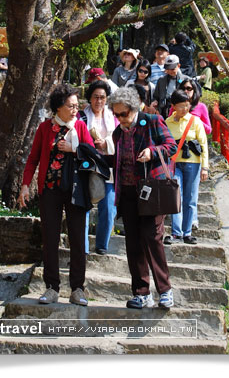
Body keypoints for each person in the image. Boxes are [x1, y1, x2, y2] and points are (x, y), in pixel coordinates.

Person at [18, 83, 94, 306]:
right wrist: (25, 185)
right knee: (49, 238)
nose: (75, 110)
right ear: (59, 107)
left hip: (76, 191)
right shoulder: (45, 128)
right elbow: (33, 159)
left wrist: (74, 149)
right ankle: (51, 287)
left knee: (78, 239)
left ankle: (77, 288)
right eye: (71, 106)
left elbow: (92, 157)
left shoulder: (80, 127)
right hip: (49, 189)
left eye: (76, 105)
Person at [107, 87, 177, 309]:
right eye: (115, 114)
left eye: (123, 114)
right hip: (127, 192)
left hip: (151, 190)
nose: (119, 119)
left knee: (152, 238)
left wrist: (152, 152)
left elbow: (171, 146)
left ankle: (165, 290)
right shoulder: (118, 133)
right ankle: (141, 292)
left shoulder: (152, 121)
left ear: (133, 109)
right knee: (133, 242)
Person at [79, 80, 119, 255]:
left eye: (102, 97)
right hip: (86, 167)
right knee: (84, 207)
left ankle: (102, 245)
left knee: (109, 207)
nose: (99, 101)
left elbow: (120, 138)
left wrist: (106, 143)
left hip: (108, 167)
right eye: (96, 97)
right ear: (90, 98)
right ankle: (83, 248)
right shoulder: (81, 117)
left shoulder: (114, 117)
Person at [165, 89, 209, 245]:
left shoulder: (195, 121)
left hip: (193, 163)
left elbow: (203, 143)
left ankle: (187, 232)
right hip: (174, 164)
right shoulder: (168, 122)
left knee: (190, 198)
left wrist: (205, 167)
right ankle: (176, 232)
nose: (185, 109)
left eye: (187, 105)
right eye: (181, 106)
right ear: (173, 106)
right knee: (176, 196)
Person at [152, 54, 189, 118]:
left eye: (172, 69)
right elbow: (156, 96)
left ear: (178, 66)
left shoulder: (186, 80)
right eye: (168, 68)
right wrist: (155, 104)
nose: (170, 71)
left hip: (179, 111)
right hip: (163, 111)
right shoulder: (161, 80)